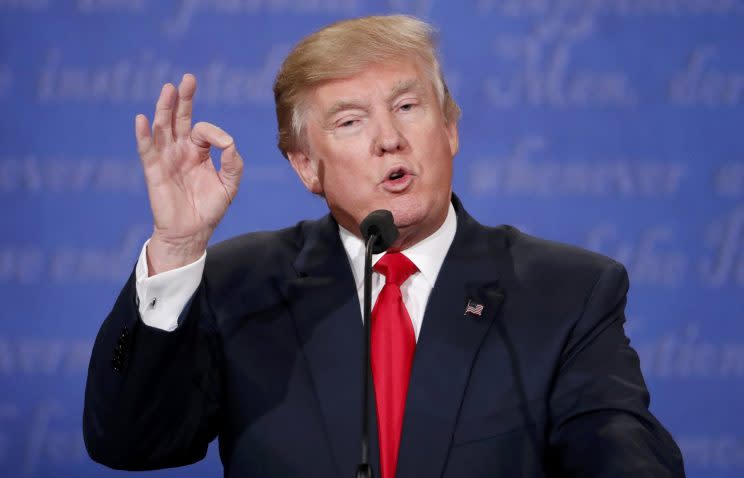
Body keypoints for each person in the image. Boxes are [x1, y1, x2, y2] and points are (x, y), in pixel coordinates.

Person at [83, 14, 685, 478]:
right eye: (350, 122)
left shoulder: (566, 291)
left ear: (449, 128)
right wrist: (177, 248)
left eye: (407, 107)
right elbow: (128, 441)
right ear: (305, 166)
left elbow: (620, 451)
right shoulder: (239, 282)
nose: (389, 140)